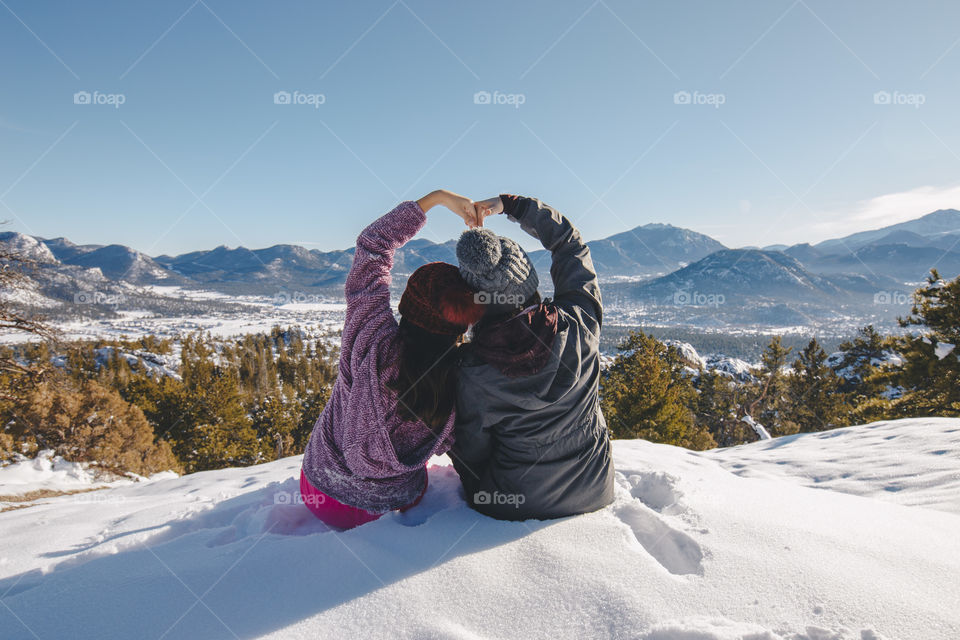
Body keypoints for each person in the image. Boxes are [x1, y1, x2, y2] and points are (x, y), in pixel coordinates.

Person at [299, 190, 485, 529]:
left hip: (321, 492)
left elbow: (373, 244)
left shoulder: (370, 337)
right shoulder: (466, 375)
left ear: (407, 304)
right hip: (392, 504)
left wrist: (438, 199)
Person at [450, 194, 615, 520]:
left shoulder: (471, 371)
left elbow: (470, 450)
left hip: (514, 504)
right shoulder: (579, 322)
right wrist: (511, 205)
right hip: (596, 487)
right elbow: (569, 245)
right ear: (529, 280)